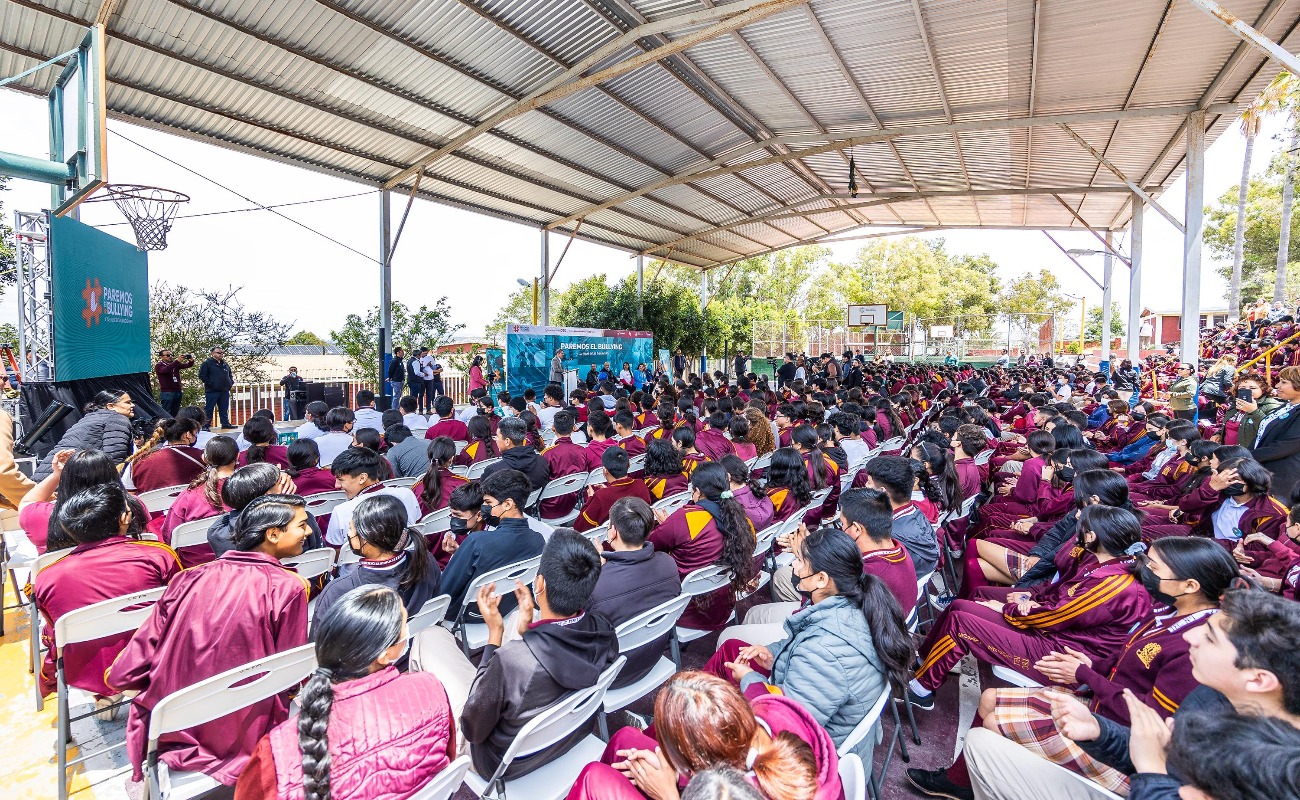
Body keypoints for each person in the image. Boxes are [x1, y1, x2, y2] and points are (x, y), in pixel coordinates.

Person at [909, 536, 1241, 800]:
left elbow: (1148, 719)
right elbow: (1123, 655)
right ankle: (961, 784)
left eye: (1154, 565)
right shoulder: (1170, 613)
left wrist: (1084, 675)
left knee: (991, 725)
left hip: (1123, 742)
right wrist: (1090, 668)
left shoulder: (1195, 647)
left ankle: (979, 779)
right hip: (1098, 695)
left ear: (1189, 586)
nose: (1145, 568)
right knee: (990, 699)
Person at [108, 494, 312, 788]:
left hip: (173, 723)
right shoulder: (288, 587)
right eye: (302, 525)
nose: (308, 533)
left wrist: (124, 680)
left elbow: (145, 647)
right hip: (245, 728)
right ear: (273, 534)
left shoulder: (189, 577)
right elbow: (290, 675)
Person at [908, 505, 1152, 710]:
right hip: (1052, 632)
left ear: (1090, 537)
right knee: (961, 606)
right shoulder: (1101, 562)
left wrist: (1007, 609)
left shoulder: (1115, 584)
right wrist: (1028, 599)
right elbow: (1059, 592)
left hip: (1061, 653)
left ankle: (922, 690)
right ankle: (924, 660)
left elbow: (1055, 616)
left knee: (962, 623)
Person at [706, 527, 915, 758]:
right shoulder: (856, 604)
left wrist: (749, 679)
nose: (794, 567)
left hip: (798, 752)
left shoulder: (825, 650)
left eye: (801, 562)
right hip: (810, 708)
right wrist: (773, 653)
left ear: (822, 579)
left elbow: (787, 726)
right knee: (732, 648)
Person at [233, 585, 455, 800]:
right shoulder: (431, 689)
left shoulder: (276, 754)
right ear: (384, 654)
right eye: (404, 626)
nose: (407, 633)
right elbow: (447, 757)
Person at [567, 671, 842, 800]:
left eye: (671, 750)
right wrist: (677, 774)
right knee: (626, 738)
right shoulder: (772, 713)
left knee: (594, 776)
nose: (663, 751)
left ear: (698, 761)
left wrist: (666, 793)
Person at [33, 484, 182, 702]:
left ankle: (105, 694)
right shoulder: (158, 556)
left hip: (87, 670)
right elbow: (181, 604)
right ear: (125, 518)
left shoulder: (46, 577)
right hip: (157, 658)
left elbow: (55, 631)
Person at [587, 497, 682, 688]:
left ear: (613, 531)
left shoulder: (595, 586)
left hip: (611, 675)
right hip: (654, 655)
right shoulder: (668, 563)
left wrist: (601, 570)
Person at [651, 461, 756, 631]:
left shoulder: (686, 518)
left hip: (686, 609)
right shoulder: (741, 518)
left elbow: (652, 544)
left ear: (697, 492)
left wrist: (671, 525)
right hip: (723, 604)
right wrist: (672, 526)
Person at [313, 494, 441, 626]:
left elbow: (320, 643)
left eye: (351, 529)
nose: (349, 534)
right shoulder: (426, 560)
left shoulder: (338, 591)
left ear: (367, 537)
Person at [436, 469, 546, 619]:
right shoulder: (539, 540)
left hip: (467, 615)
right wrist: (461, 554)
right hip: (509, 608)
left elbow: (443, 591)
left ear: (507, 504)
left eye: (488, 503)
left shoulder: (477, 542)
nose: (484, 509)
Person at [859, 455, 939, 578]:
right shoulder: (918, 515)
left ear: (882, 491)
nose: (865, 485)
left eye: (869, 482)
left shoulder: (885, 536)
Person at [324, 448, 422, 547]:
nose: (337, 485)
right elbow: (417, 529)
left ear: (362, 478)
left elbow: (336, 552)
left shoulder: (342, 511)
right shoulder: (407, 494)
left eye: (341, 479)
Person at [160, 435, 238, 558]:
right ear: (237, 456)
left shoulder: (189, 495)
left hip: (195, 566)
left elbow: (169, 535)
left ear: (205, 458)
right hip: (240, 562)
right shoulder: (250, 489)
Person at [34, 389, 136, 480]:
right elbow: (115, 458)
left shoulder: (90, 418)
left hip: (47, 479)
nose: (133, 405)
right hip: (66, 481)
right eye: (128, 402)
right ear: (110, 406)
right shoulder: (116, 419)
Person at [1252, 364, 1300, 500]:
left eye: (1284, 382)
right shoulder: (1286, 406)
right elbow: (1260, 435)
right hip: (1264, 470)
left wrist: (1248, 456)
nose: (1277, 385)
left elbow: (1286, 446)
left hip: (1282, 478)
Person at [575, 447, 652, 531]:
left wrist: (590, 499)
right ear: (629, 465)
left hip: (611, 541)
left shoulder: (600, 497)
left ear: (604, 471)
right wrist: (607, 490)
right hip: (639, 535)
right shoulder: (641, 485)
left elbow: (579, 526)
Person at [125, 417, 205, 493]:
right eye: (195, 434)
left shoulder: (139, 460)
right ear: (187, 435)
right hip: (189, 506)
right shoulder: (203, 457)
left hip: (150, 506)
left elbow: (130, 493)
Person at [482, 416, 550, 489]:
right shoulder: (542, 461)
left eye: (497, 437)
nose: (496, 440)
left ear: (507, 441)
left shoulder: (493, 470)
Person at [198, 346, 235, 429]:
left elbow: (230, 375)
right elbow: (202, 376)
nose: (221, 354)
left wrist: (230, 382)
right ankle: (206, 425)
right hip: (212, 391)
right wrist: (211, 383)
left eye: (222, 353)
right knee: (209, 408)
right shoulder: (207, 363)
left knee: (224, 408)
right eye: (218, 353)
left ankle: (225, 424)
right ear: (212, 353)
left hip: (224, 390)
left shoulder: (225, 364)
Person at [154, 348, 195, 416]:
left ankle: (173, 425)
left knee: (175, 411)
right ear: (161, 357)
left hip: (178, 391)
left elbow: (187, 365)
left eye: (171, 355)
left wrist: (191, 360)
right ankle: (164, 425)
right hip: (167, 392)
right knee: (166, 411)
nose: (170, 356)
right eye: (167, 355)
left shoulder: (174, 364)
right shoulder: (159, 365)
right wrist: (177, 361)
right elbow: (165, 370)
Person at [407, 348, 427, 415]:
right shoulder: (416, 362)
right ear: (418, 355)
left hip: (411, 380)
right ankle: (413, 411)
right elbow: (417, 372)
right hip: (416, 381)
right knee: (414, 397)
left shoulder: (409, 360)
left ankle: (411, 410)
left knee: (412, 396)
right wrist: (424, 374)